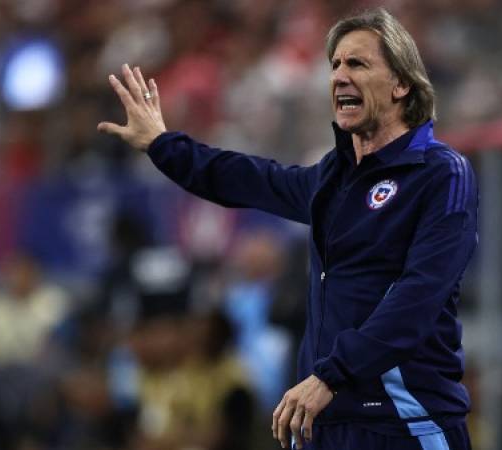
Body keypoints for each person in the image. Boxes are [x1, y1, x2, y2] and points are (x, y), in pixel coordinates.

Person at [98, 7, 477, 450]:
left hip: (405, 423)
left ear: (401, 83)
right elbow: (248, 177)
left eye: (357, 63)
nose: (339, 76)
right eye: (334, 64)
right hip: (322, 422)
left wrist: (331, 375)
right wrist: (163, 145)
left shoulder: (440, 174)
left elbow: (419, 298)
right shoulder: (333, 180)